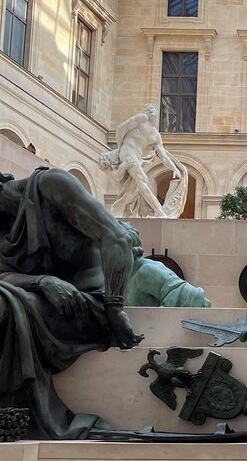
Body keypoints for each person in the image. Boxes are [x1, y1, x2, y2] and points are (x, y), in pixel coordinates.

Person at [0, 166, 143, 438]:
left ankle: (15, 413)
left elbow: (116, 237)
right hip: (43, 302)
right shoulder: (3, 225)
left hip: (90, 304)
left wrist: (114, 307)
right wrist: (42, 281)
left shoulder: (52, 185)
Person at [98, 103, 187, 218]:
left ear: (158, 114)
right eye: (148, 109)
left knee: (134, 186)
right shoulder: (141, 119)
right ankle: (159, 211)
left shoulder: (156, 136)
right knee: (142, 179)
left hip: (137, 156)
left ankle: (121, 208)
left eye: (152, 108)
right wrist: (120, 148)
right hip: (127, 151)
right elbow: (121, 129)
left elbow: (163, 156)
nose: (150, 110)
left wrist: (174, 169)